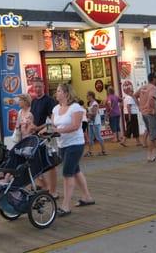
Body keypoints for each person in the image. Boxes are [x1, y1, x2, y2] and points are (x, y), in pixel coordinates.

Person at [51, 83, 94, 217]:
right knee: (75, 170)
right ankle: (87, 197)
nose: (56, 93)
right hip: (62, 144)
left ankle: (65, 206)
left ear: (66, 93)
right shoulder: (56, 108)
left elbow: (75, 126)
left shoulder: (76, 108)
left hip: (75, 144)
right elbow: (52, 125)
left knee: (67, 173)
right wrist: (44, 131)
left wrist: (58, 130)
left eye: (58, 91)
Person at [30, 78, 58, 198]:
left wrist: (38, 128)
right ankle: (45, 187)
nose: (37, 89)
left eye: (39, 87)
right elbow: (32, 116)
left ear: (44, 87)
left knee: (50, 164)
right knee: (36, 163)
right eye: (35, 87)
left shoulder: (49, 101)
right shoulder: (34, 101)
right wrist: (30, 125)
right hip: (35, 136)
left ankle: (53, 191)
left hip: (47, 136)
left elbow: (53, 120)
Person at [136, 73, 156, 162]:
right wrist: (153, 109)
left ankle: (155, 153)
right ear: (154, 79)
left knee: (152, 133)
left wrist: (140, 106)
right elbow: (151, 98)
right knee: (153, 135)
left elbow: (135, 95)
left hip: (144, 113)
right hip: (150, 113)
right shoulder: (153, 88)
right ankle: (150, 156)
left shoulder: (143, 87)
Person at [84, 91, 107, 157]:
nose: (86, 97)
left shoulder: (95, 103)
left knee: (98, 137)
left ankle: (103, 150)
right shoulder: (90, 103)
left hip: (95, 123)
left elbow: (94, 113)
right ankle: (90, 151)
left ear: (91, 96)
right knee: (91, 138)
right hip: (91, 123)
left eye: (87, 95)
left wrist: (86, 114)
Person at [122, 82, 141, 147]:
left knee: (130, 128)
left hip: (128, 114)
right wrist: (130, 116)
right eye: (131, 92)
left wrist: (134, 97)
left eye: (132, 91)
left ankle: (124, 141)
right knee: (133, 128)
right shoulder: (129, 98)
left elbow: (136, 102)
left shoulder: (127, 98)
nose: (132, 93)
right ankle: (137, 141)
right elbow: (128, 107)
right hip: (131, 114)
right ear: (128, 92)